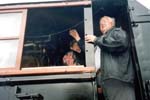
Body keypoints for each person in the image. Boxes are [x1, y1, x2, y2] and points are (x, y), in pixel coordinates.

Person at [85, 16, 135, 100]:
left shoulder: (116, 31)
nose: (101, 24)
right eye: (100, 23)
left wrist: (96, 40)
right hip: (108, 81)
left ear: (112, 23)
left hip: (118, 79)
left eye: (104, 21)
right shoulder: (102, 41)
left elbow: (121, 42)